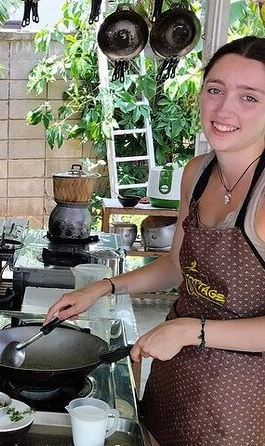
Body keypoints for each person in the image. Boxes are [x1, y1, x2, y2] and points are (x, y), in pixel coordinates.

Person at [45, 36, 265, 446]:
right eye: (214, 90)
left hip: (244, 401)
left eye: (249, 97)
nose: (223, 109)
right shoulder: (198, 173)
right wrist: (102, 288)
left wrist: (192, 331)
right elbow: (176, 265)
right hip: (175, 372)